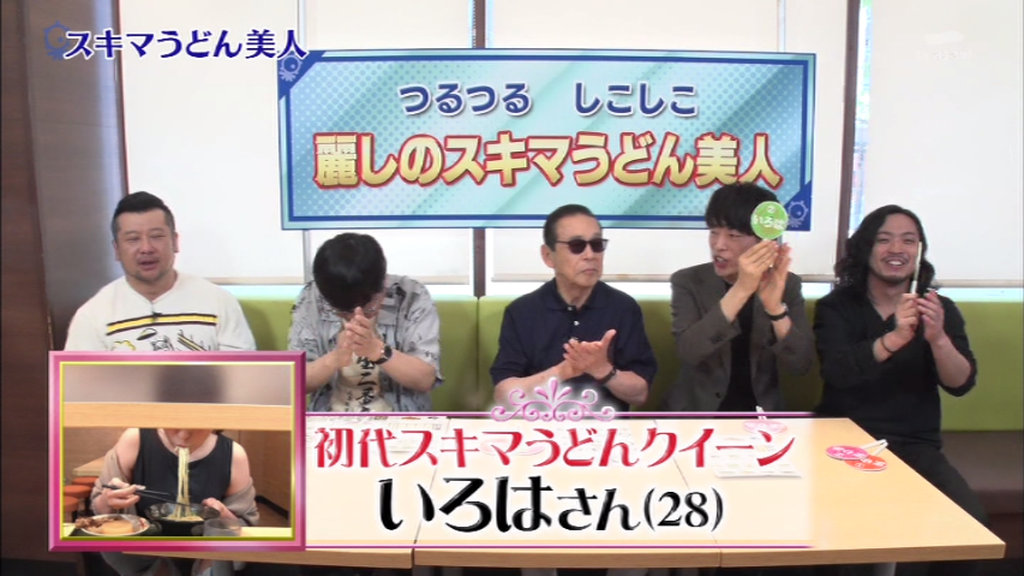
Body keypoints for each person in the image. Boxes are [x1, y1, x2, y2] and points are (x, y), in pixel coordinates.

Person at [814, 205, 986, 576]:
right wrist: (892, 338)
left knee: (971, 529)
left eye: (909, 241)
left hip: (914, 444)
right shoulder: (836, 307)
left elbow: (960, 383)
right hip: (845, 442)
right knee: (851, 540)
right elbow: (838, 372)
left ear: (920, 252)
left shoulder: (938, 309)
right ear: (866, 248)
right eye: (884, 239)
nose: (897, 249)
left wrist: (937, 338)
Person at [663, 182, 814, 413]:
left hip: (761, 417)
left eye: (733, 235)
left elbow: (801, 364)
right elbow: (689, 352)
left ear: (765, 242)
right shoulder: (689, 281)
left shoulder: (786, 284)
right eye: (713, 232)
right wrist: (742, 289)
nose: (718, 245)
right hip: (696, 415)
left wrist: (775, 309)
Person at [491, 204, 657, 411]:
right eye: (577, 245)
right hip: (539, 425)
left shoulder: (624, 308)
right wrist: (563, 371)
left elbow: (640, 394)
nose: (590, 255)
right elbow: (504, 396)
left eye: (596, 244)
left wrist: (603, 370)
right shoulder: (522, 312)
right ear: (548, 256)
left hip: (606, 427)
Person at [64, 191, 256, 352]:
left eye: (156, 236)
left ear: (175, 242)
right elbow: (83, 384)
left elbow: (243, 375)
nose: (146, 248)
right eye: (133, 239)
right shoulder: (92, 315)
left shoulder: (218, 301)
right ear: (117, 250)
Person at [290, 232, 442, 412]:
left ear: (383, 285)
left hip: (400, 420)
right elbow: (295, 385)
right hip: (329, 419)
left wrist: (377, 350)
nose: (354, 317)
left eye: (368, 309)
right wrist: (334, 359)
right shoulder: (312, 298)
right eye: (342, 312)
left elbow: (425, 379)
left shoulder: (411, 296)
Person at [90, 427, 259, 576]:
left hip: (208, 559)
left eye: (197, 425)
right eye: (175, 423)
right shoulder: (136, 439)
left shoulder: (233, 454)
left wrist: (224, 517)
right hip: (143, 559)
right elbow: (99, 510)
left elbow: (246, 526)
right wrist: (108, 500)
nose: (184, 435)